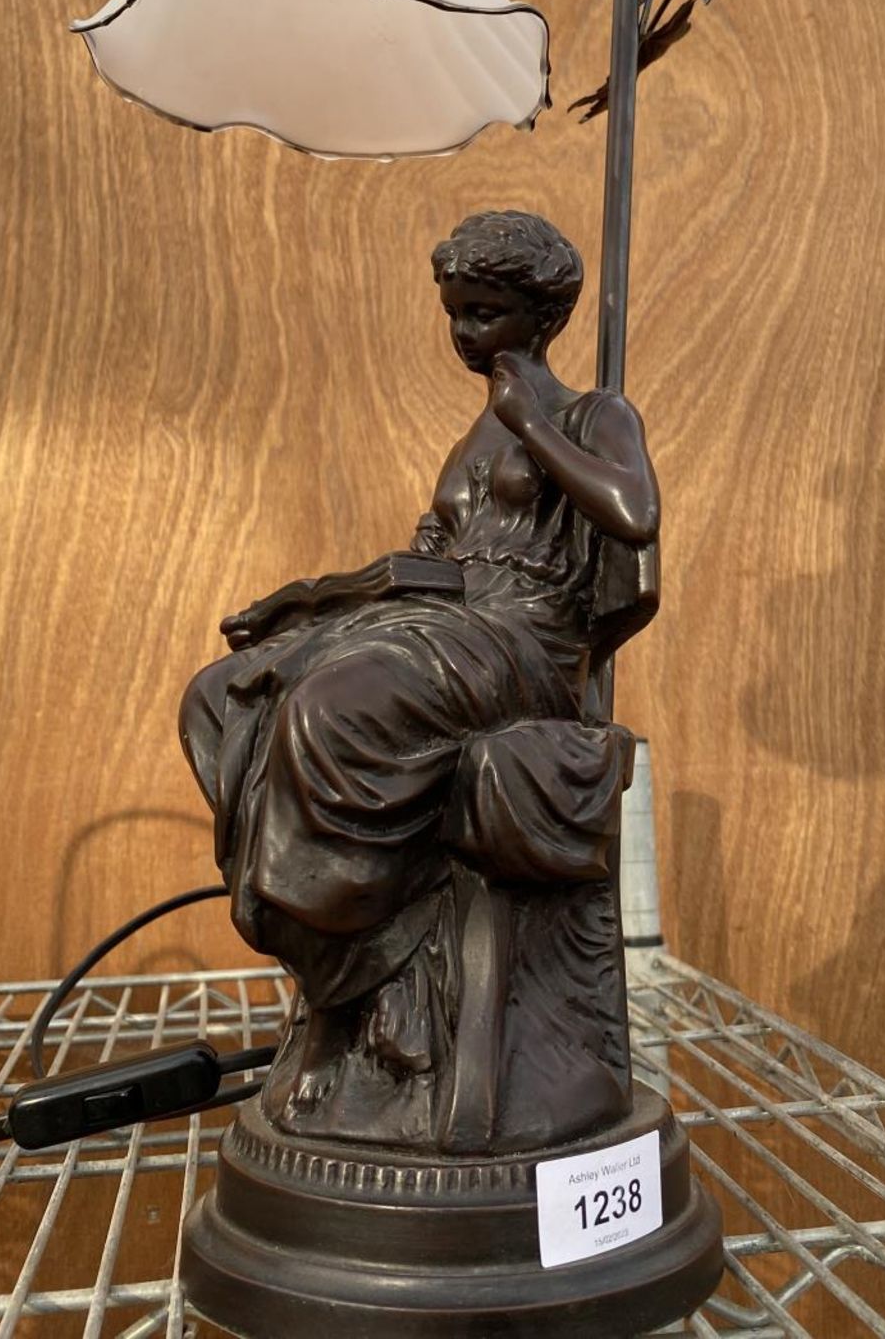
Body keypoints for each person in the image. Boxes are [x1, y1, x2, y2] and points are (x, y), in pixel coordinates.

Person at [179, 210, 660, 1150]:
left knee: (326, 714)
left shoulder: (589, 413)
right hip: (442, 623)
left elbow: (633, 514)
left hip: (522, 650)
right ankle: (350, 975)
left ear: (538, 314)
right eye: (455, 315)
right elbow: (430, 563)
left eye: (484, 314)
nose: (465, 336)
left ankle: (360, 992)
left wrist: (534, 424)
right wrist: (309, 601)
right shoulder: (469, 441)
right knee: (225, 694)